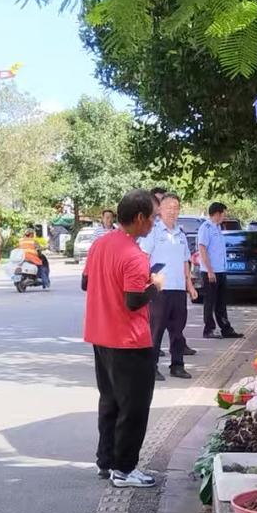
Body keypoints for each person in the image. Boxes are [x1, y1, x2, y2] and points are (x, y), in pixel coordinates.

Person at [81, 191, 162, 487]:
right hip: (129, 341)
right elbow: (133, 301)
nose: (154, 222)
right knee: (134, 407)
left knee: (110, 401)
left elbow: (85, 282)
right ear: (139, 218)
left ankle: (106, 461)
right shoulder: (134, 255)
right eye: (152, 217)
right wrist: (155, 285)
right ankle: (125, 469)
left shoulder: (100, 244)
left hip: (100, 336)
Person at [138, 191, 201, 380]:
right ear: (160, 210)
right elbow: (143, 258)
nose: (172, 211)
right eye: (168, 207)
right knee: (155, 330)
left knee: (178, 330)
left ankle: (177, 365)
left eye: (176, 208)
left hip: (178, 289)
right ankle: (151, 367)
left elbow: (185, 261)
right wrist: (145, 282)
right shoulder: (153, 232)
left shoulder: (180, 234)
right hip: (158, 289)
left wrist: (189, 285)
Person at [196, 201, 241, 339]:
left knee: (221, 302)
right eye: (223, 214)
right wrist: (209, 270)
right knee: (210, 302)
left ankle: (226, 328)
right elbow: (202, 249)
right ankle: (209, 329)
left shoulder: (218, 228)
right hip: (211, 271)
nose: (224, 217)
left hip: (221, 270)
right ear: (216, 213)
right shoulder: (206, 228)